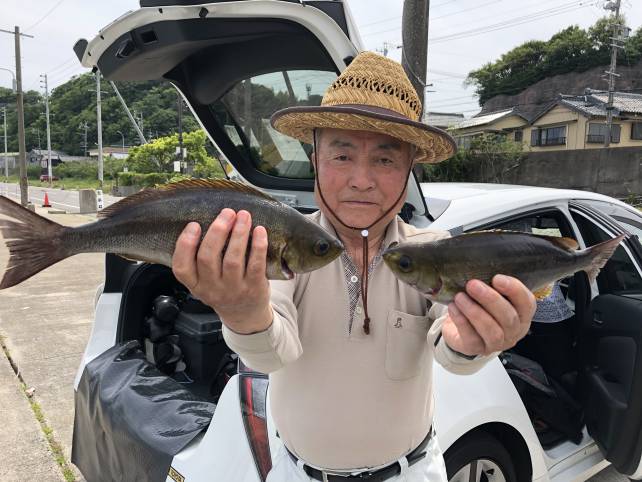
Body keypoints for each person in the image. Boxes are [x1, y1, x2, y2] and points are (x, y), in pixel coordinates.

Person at [172, 52, 536, 481]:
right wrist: (241, 311)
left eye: (385, 159)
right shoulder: (282, 244)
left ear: (409, 170)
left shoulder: (431, 249)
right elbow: (271, 353)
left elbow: (452, 350)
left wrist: (473, 343)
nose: (361, 180)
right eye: (342, 156)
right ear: (316, 161)